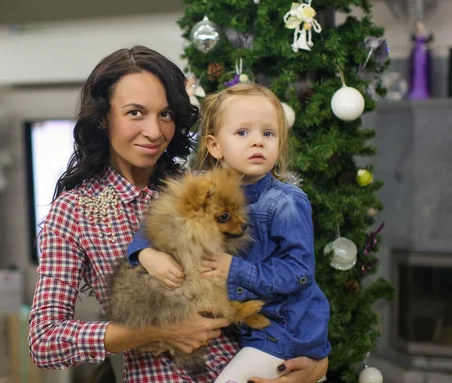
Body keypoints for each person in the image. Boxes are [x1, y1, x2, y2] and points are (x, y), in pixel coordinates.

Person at [28, 45, 328, 383]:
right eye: (135, 113)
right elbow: (44, 340)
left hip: (247, 366)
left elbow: (286, 275)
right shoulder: (73, 212)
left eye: (166, 114)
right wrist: (155, 330)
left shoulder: (208, 185)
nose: (155, 132)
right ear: (102, 117)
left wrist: (314, 365)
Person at [128, 83, 331, 383]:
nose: (258, 142)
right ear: (214, 146)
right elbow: (160, 222)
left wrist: (235, 270)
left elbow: (300, 271)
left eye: (268, 133)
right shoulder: (201, 185)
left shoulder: (286, 201)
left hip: (283, 330)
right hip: (245, 329)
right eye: (243, 132)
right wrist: (146, 253)